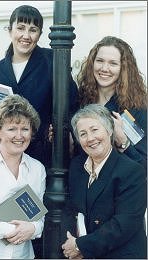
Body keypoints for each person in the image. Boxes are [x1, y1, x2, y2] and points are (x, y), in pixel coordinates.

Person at [0, 4, 79, 167]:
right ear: (10, 30)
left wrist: (61, 128)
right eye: (20, 28)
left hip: (47, 157)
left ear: (39, 34)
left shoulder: (53, 61)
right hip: (8, 156)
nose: (26, 35)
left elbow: (73, 104)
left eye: (33, 30)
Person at [61, 104, 147, 259]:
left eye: (95, 130)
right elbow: (71, 210)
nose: (90, 138)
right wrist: (70, 241)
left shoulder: (131, 171)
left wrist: (81, 246)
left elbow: (124, 224)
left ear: (109, 131)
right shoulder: (77, 166)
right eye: (83, 134)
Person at [0, 94, 47, 259]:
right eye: (12, 129)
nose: (19, 136)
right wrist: (10, 231)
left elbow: (39, 219)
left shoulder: (37, 169)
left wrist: (33, 229)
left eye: (25, 129)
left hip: (23, 256)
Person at [77, 36, 147, 168]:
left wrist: (123, 142)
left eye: (113, 63)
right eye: (100, 61)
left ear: (124, 69)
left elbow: (143, 165)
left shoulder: (138, 108)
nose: (104, 68)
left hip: (119, 184)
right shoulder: (81, 100)